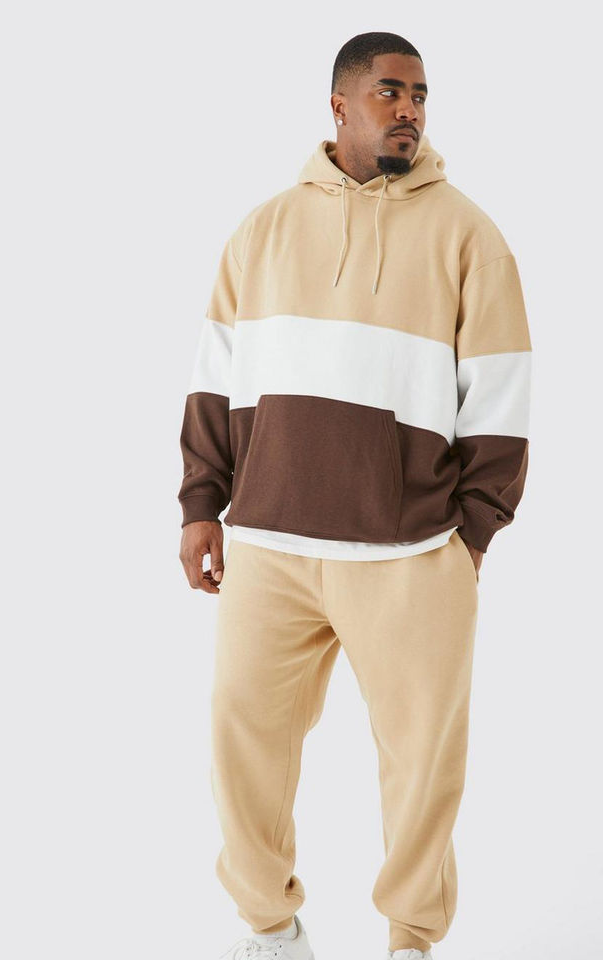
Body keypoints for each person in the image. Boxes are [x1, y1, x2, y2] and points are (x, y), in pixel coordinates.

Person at [177, 31, 532, 960]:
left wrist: (469, 540)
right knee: (240, 743)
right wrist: (201, 505)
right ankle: (271, 927)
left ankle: (410, 942)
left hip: (410, 555)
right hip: (270, 544)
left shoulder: (468, 236)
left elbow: (502, 399)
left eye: (421, 95)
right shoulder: (262, 230)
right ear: (340, 106)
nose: (410, 109)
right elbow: (215, 379)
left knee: (422, 769)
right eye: (390, 92)